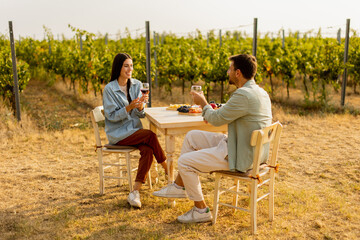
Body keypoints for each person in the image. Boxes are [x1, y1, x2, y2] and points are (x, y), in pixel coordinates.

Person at [152, 54, 272, 223]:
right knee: (192, 136)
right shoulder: (261, 92)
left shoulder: (243, 95)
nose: (227, 71)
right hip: (248, 150)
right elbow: (225, 115)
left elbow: (216, 120)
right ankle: (179, 187)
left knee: (185, 162)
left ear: (238, 73)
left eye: (230, 69)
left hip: (240, 157)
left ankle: (200, 210)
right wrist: (211, 109)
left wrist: (203, 102)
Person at [103, 53, 168, 208]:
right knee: (151, 135)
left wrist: (140, 107)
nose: (129, 69)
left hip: (134, 131)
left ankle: (135, 192)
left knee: (147, 150)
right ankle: (169, 171)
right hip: (118, 134)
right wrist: (129, 107)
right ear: (118, 67)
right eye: (126, 66)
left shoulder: (137, 84)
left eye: (131, 65)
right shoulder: (109, 89)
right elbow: (111, 117)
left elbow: (140, 114)